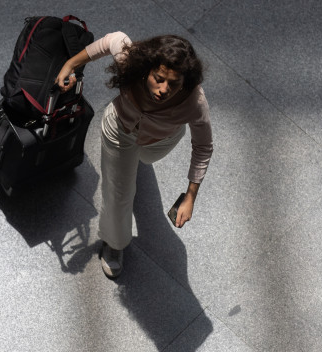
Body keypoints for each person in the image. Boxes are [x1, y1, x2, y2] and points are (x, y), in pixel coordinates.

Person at [56, 32, 213, 279]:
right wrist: (70, 64)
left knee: (146, 159)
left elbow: (203, 146)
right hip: (120, 130)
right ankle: (114, 243)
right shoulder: (131, 62)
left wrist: (191, 195)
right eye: (158, 79)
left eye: (173, 83)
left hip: (162, 138)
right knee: (119, 194)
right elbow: (112, 40)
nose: (163, 90)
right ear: (146, 70)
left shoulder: (194, 101)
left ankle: (136, 161)